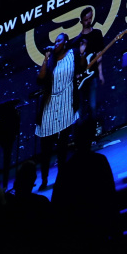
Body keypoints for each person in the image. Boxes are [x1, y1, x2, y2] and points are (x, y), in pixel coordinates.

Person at [35, 33, 82, 190]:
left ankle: (62, 177)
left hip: (66, 104)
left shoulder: (73, 54)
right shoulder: (51, 60)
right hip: (50, 106)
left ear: (65, 42)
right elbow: (40, 80)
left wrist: (83, 53)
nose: (56, 44)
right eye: (55, 42)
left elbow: (82, 67)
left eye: (59, 41)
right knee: (46, 148)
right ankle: (44, 180)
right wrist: (46, 59)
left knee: (63, 146)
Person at [75, 6, 106, 152]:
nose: (89, 21)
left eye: (90, 18)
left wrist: (100, 73)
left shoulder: (97, 34)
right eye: (86, 19)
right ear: (81, 20)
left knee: (93, 106)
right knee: (81, 109)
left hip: (92, 76)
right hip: (81, 79)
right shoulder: (77, 40)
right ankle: (81, 141)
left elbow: (99, 55)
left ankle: (94, 137)